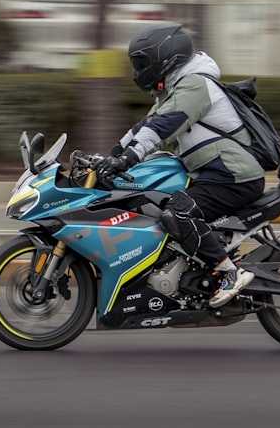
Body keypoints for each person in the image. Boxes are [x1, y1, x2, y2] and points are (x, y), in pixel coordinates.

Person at [96, 22, 265, 308]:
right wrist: (109, 156)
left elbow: (164, 125)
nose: (139, 71)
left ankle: (228, 274)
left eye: (142, 63)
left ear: (164, 58)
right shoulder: (174, 89)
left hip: (234, 176)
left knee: (178, 213)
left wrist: (129, 158)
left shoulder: (196, 84)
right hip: (213, 175)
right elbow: (145, 127)